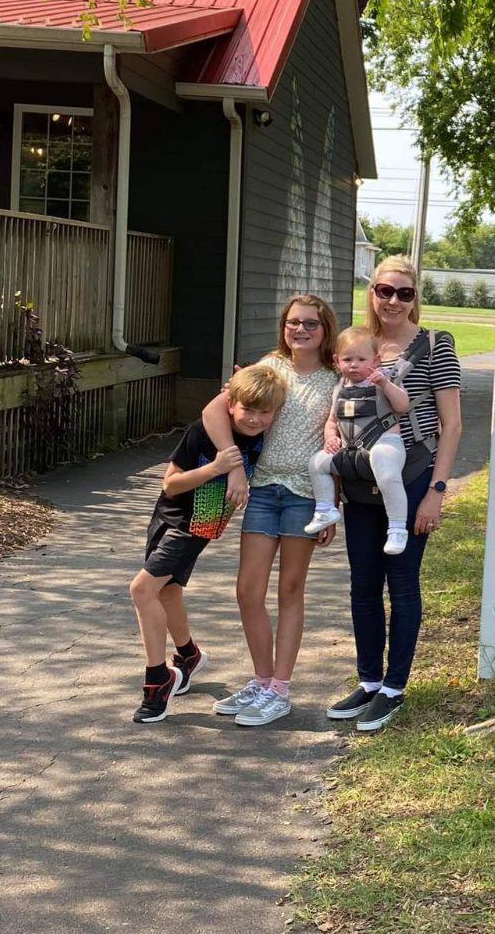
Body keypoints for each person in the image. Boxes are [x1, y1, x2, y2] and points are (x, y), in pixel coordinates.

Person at [327, 256, 462, 732]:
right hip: (361, 481)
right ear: (372, 292)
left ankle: (394, 687)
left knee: (401, 584)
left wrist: (437, 492)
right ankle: (368, 680)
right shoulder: (356, 345)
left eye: (404, 293)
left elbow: (452, 425)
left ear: (415, 298)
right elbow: (339, 409)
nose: (394, 301)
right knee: (362, 583)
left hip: (412, 478)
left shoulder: (434, 345)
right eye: (385, 291)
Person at [202, 294, 339, 727]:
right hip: (263, 489)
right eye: (293, 322)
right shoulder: (268, 367)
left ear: (325, 329)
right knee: (247, 590)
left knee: (290, 592)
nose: (301, 330)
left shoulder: (337, 377)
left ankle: (280, 688)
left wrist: (329, 503)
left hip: (304, 495)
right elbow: (214, 410)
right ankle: (261, 681)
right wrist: (234, 465)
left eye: (311, 324)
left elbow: (342, 445)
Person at [128, 364, 285, 724]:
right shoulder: (205, 431)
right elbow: (171, 485)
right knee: (165, 592)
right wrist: (218, 467)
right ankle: (188, 656)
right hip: (168, 514)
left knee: (141, 590)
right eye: (248, 410)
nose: (256, 419)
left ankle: (158, 680)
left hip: (196, 524)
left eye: (265, 413)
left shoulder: (264, 435)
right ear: (232, 405)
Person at [305, 325, 411, 556]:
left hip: (386, 443)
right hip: (351, 450)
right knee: (316, 463)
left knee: (387, 472)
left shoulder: (385, 380)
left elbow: (403, 405)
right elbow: (332, 420)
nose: (354, 364)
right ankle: (325, 509)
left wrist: (385, 384)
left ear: (377, 359)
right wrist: (330, 437)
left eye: (362, 359)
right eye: (347, 359)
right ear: (336, 361)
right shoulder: (340, 388)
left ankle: (397, 528)